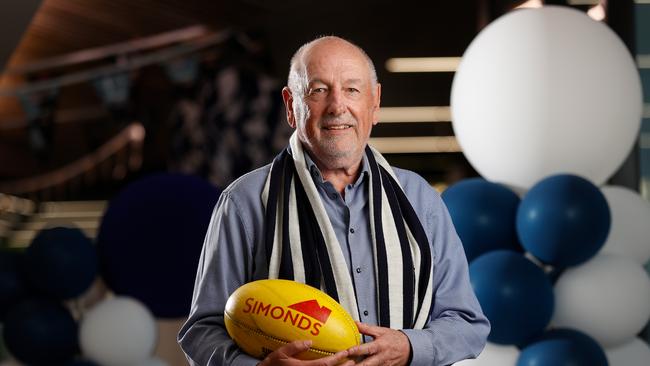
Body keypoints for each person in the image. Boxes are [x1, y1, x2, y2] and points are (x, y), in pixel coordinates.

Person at [178, 36, 490, 366]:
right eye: (318, 90)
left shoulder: (419, 199)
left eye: (352, 90)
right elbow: (202, 332)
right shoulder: (245, 203)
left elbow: (467, 324)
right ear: (290, 105)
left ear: (375, 102)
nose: (337, 106)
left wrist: (411, 346)